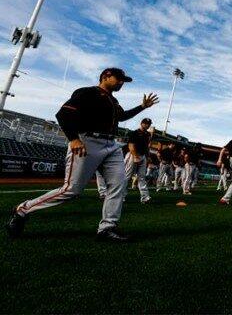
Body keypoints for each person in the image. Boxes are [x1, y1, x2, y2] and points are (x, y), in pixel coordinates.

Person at [5, 68, 158, 241]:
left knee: (119, 183)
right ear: (106, 76)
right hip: (87, 142)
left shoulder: (113, 100)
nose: (122, 82)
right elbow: (63, 113)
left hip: (111, 144)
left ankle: (107, 227)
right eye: (119, 78)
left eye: (124, 80)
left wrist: (142, 107)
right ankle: (23, 209)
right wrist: (73, 139)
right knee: (72, 190)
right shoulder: (87, 92)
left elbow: (122, 117)